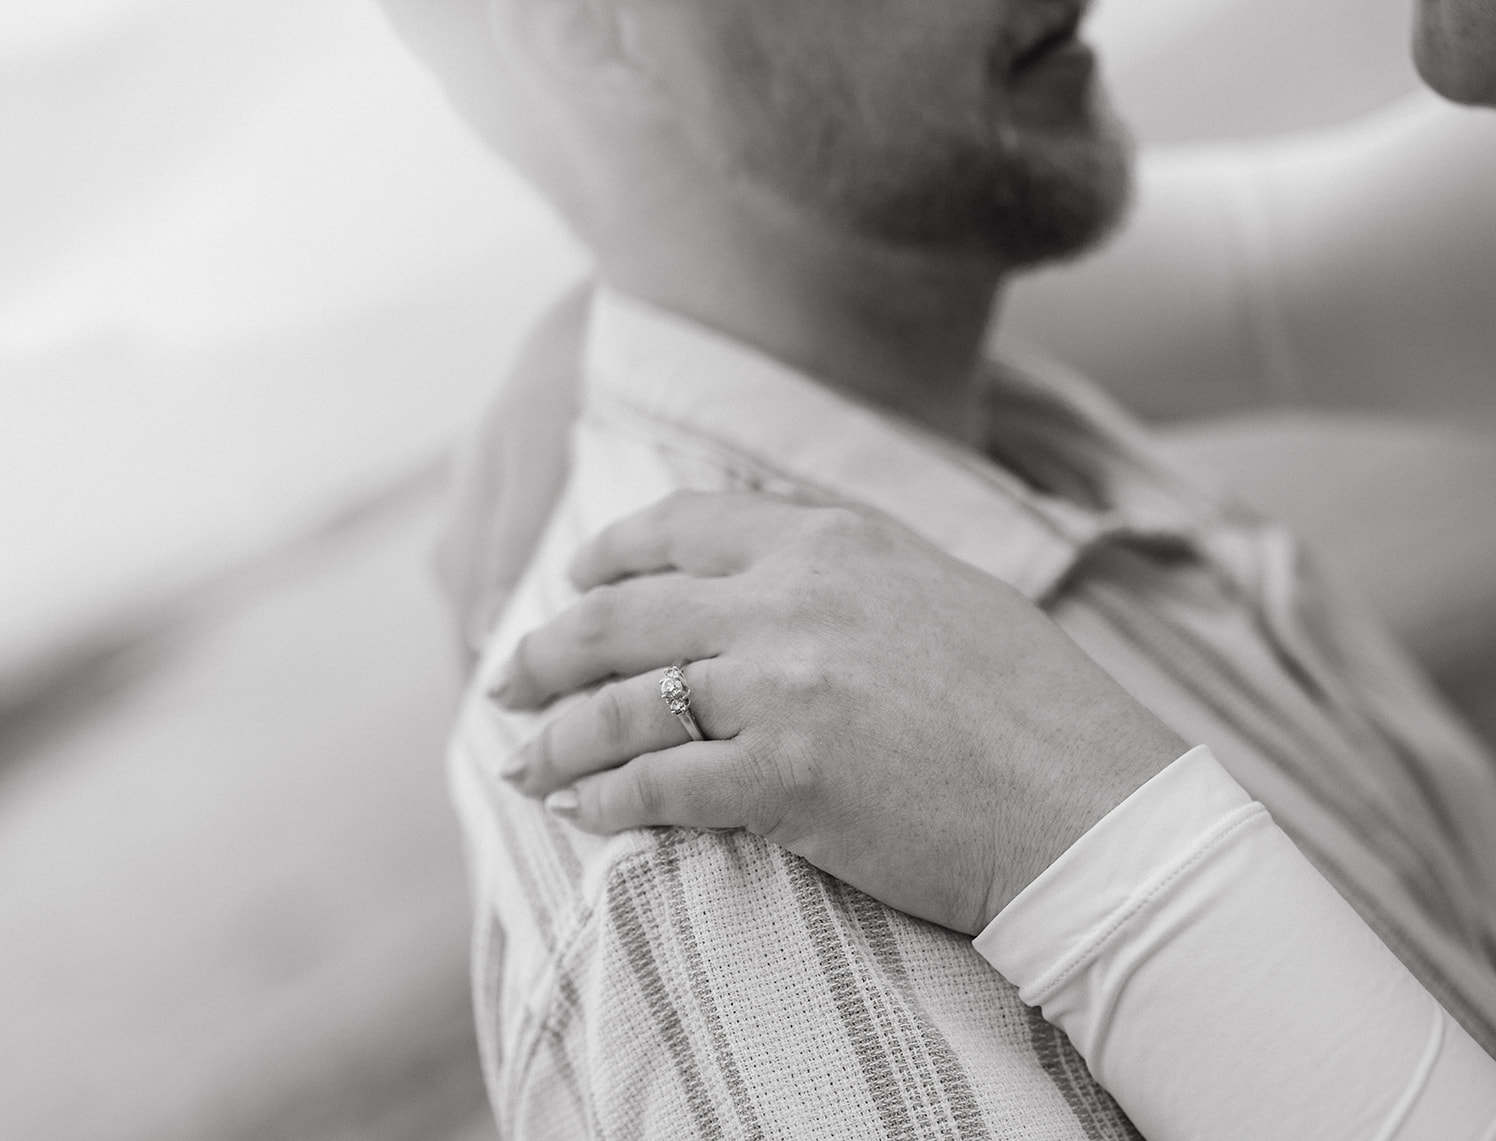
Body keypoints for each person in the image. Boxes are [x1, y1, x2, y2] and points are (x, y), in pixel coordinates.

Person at [396, 0, 1496, 1136]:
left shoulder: (982, 408)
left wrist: (1102, 846)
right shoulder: (720, 894)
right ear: (584, 33)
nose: (1451, 58)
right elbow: (1259, 270)